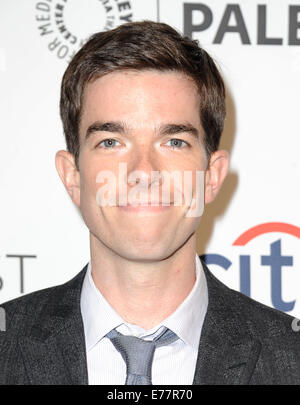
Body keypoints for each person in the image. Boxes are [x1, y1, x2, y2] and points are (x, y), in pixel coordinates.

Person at [0, 20, 299, 385]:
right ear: (72, 176)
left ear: (212, 177)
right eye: (111, 142)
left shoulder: (291, 358)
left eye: (173, 142)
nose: (143, 171)